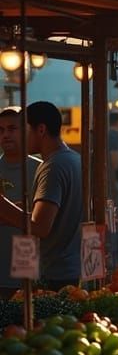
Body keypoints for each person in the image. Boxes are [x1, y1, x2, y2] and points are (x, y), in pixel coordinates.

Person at [0, 101, 83, 287]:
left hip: (56, 273)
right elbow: (42, 212)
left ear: (41, 130)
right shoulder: (73, 159)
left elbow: (40, 227)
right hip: (71, 267)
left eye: (24, 129)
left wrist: (3, 204)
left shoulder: (53, 167)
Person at [0, 108, 40, 299]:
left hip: (33, 274)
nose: (5, 135)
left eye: (12, 129)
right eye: (1, 130)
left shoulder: (42, 170)